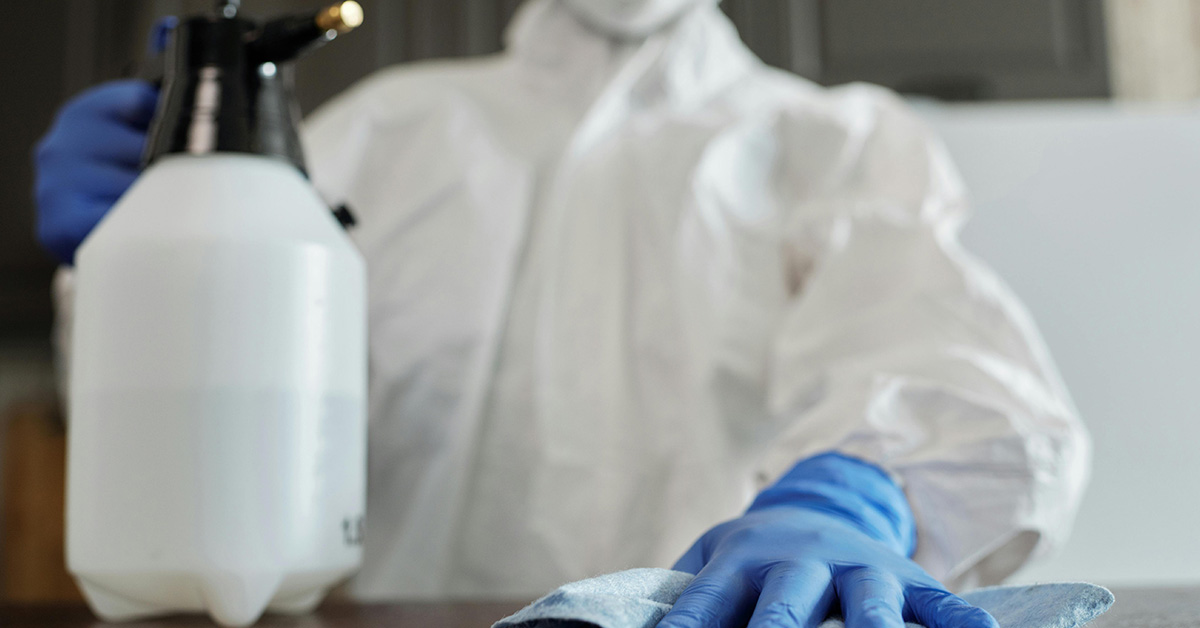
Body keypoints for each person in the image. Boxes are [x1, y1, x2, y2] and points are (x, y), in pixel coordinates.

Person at [34, 1, 1092, 626]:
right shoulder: (385, 129)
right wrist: (138, 269)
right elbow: (202, 432)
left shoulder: (830, 140)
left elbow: (937, 347)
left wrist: (856, 492)